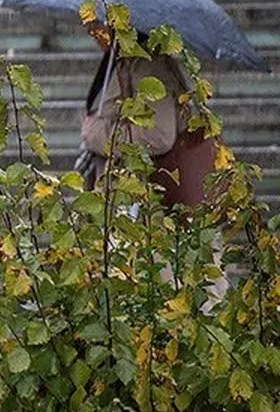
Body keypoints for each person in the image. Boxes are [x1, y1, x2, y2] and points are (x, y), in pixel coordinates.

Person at [76, 21, 226, 302]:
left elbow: (159, 135)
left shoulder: (146, 64)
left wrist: (96, 133)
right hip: (137, 204)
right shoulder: (122, 60)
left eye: (97, 21)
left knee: (173, 290)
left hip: (152, 204)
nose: (90, 28)